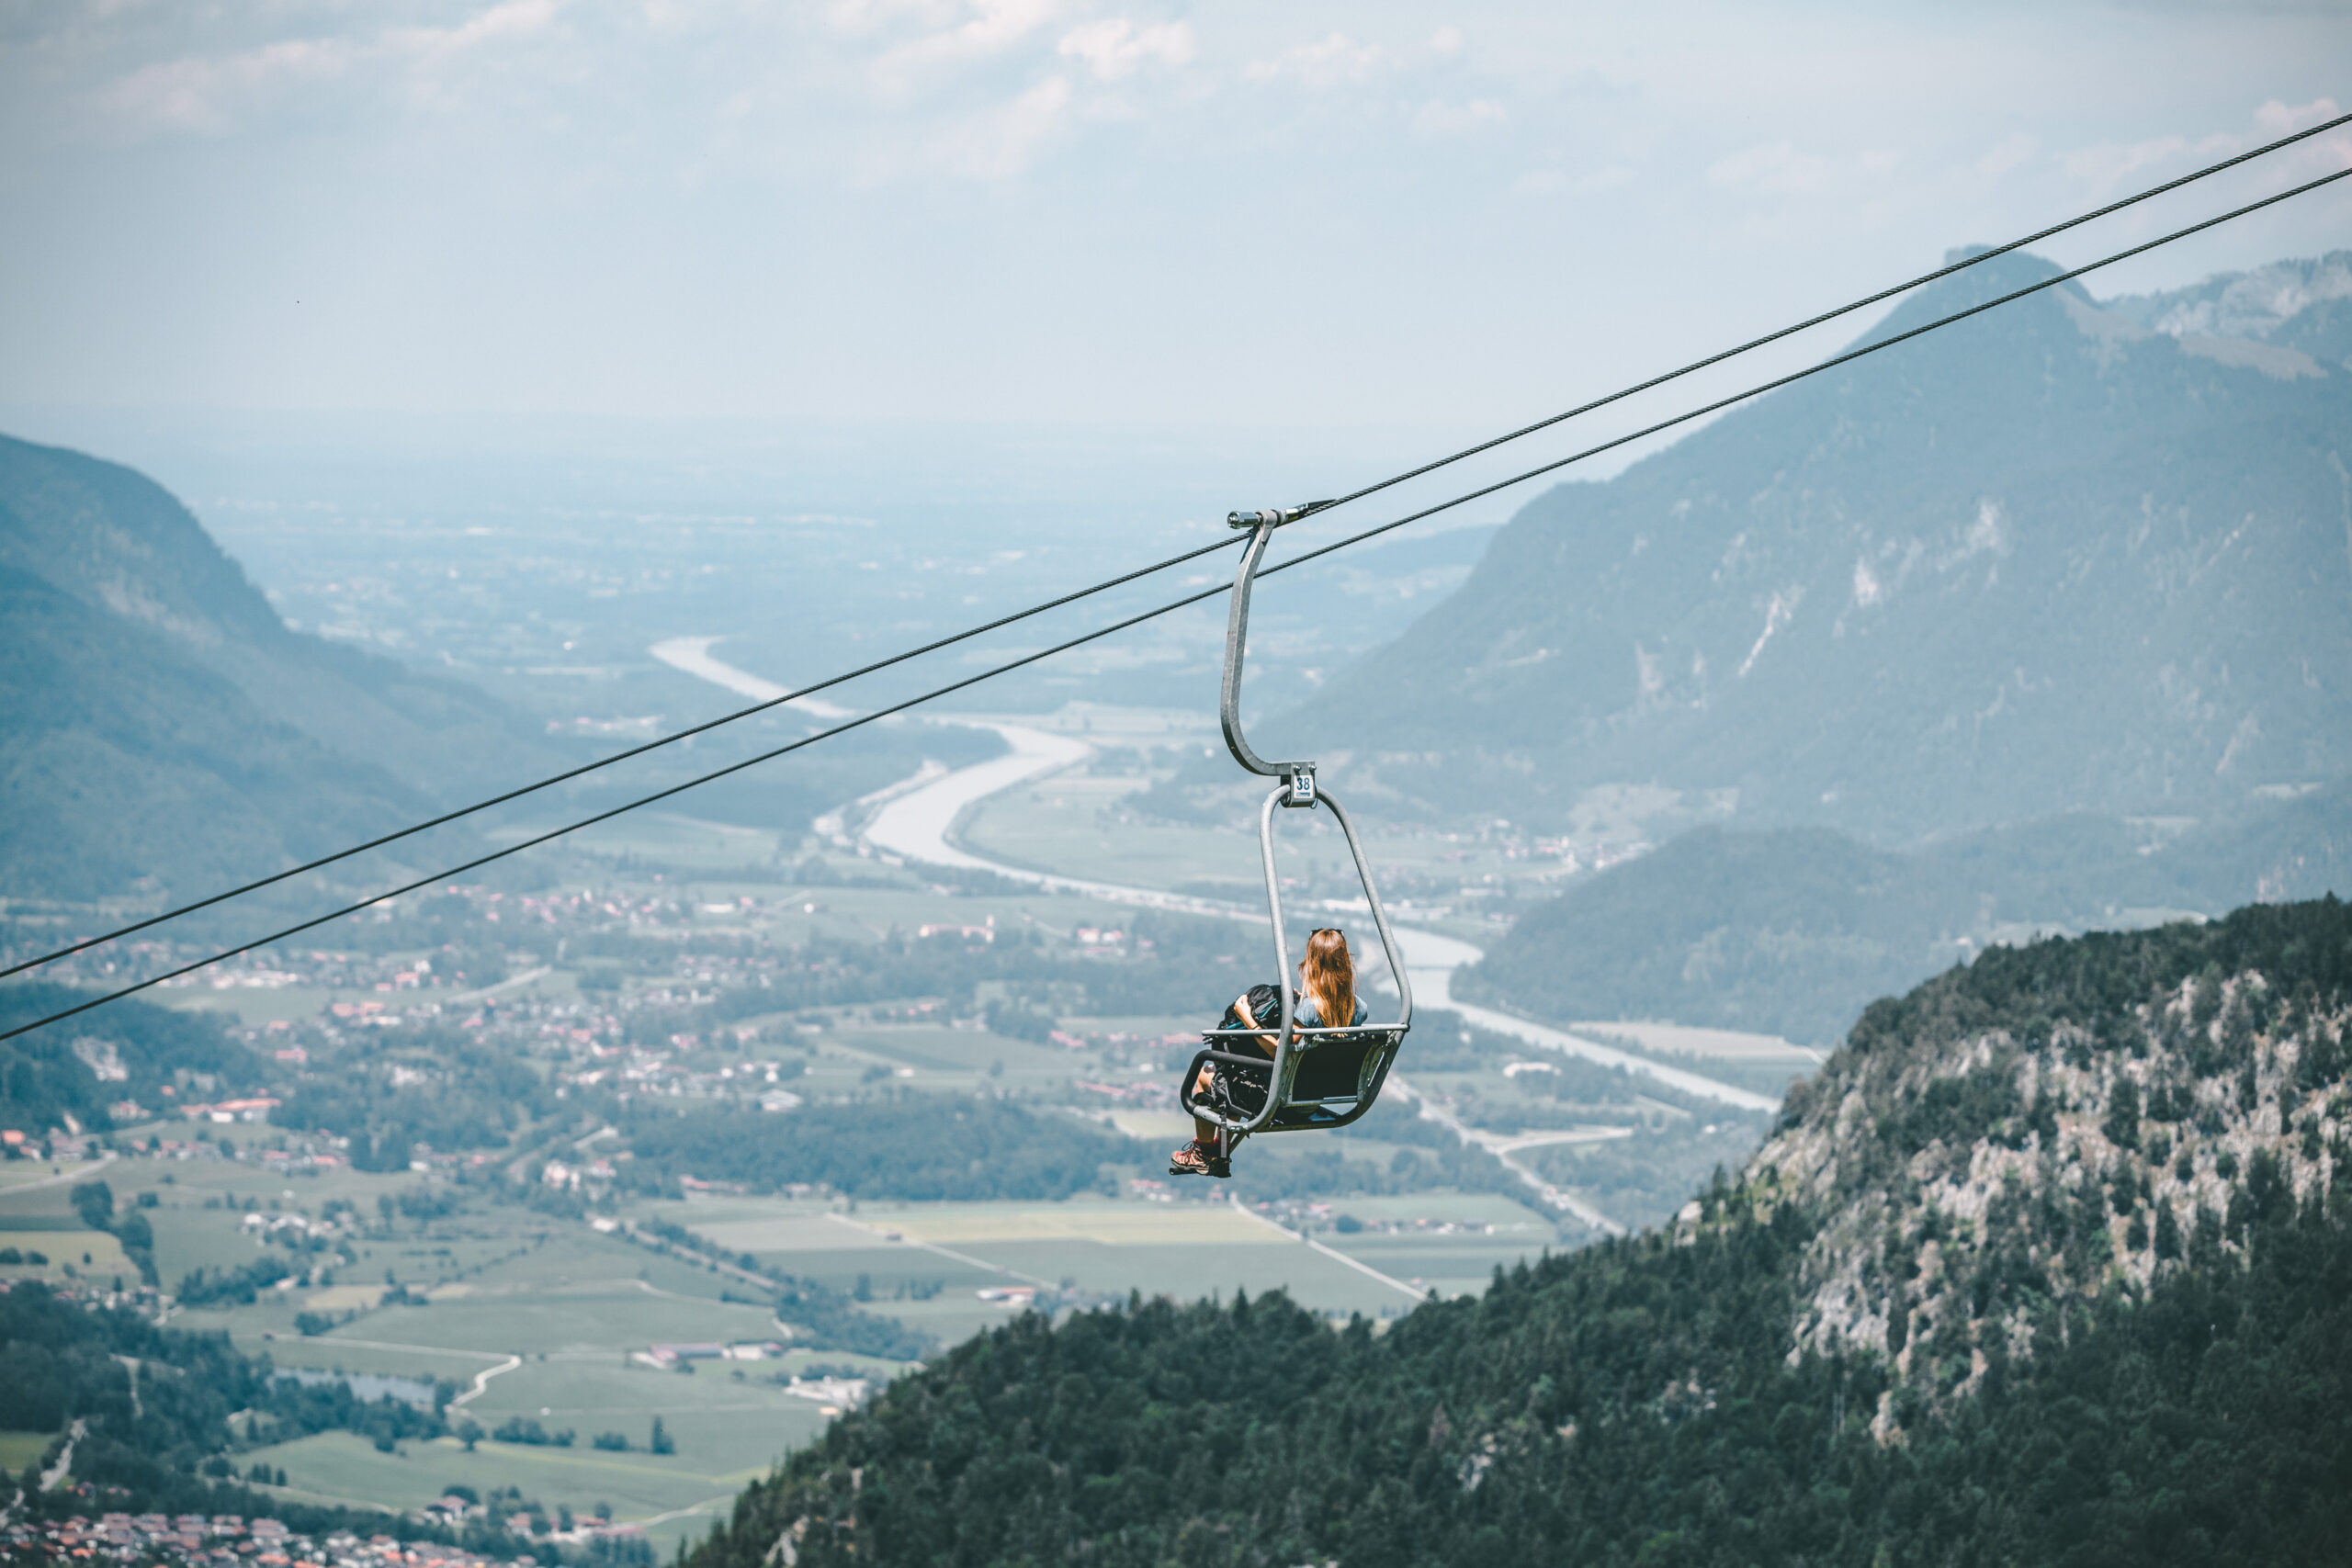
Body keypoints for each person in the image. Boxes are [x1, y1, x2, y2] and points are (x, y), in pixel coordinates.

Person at [1170, 927, 1369, 1178]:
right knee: (1234, 1083)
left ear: (1312, 964)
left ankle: (1201, 1153)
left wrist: (1249, 1020)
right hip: (1313, 1099)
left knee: (1205, 1075)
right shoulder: (1359, 1008)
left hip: (1282, 1100)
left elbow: (1280, 1053)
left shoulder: (1308, 1011)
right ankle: (1216, 1157)